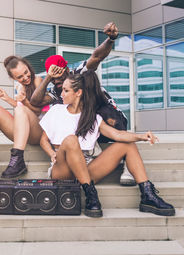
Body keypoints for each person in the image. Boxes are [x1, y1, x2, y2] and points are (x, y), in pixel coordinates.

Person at [39, 70, 175, 218]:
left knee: (127, 145)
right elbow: (43, 140)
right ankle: (92, 195)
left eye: (66, 90)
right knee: (71, 139)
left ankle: (148, 196)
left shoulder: (93, 117)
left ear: (78, 93)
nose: (62, 94)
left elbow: (117, 134)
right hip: (63, 170)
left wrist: (142, 136)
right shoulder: (56, 111)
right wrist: (52, 154)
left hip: (86, 167)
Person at [30, 22, 136, 186]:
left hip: (108, 115)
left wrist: (111, 39)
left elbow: (97, 56)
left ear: (66, 69)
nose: (58, 82)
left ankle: (128, 166)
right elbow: (35, 102)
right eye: (55, 79)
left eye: (60, 76)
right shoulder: (58, 89)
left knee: (106, 114)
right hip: (88, 124)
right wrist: (49, 77)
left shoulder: (80, 72)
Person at [0, 56, 44, 178]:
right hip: (25, 131)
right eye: (20, 77)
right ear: (13, 78)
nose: (26, 77)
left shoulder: (37, 80)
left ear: (28, 67)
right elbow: (22, 108)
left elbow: (37, 111)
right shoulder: (20, 87)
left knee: (19, 109)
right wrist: (7, 99)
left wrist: (24, 103)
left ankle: (17, 159)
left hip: (38, 131)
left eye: (26, 72)